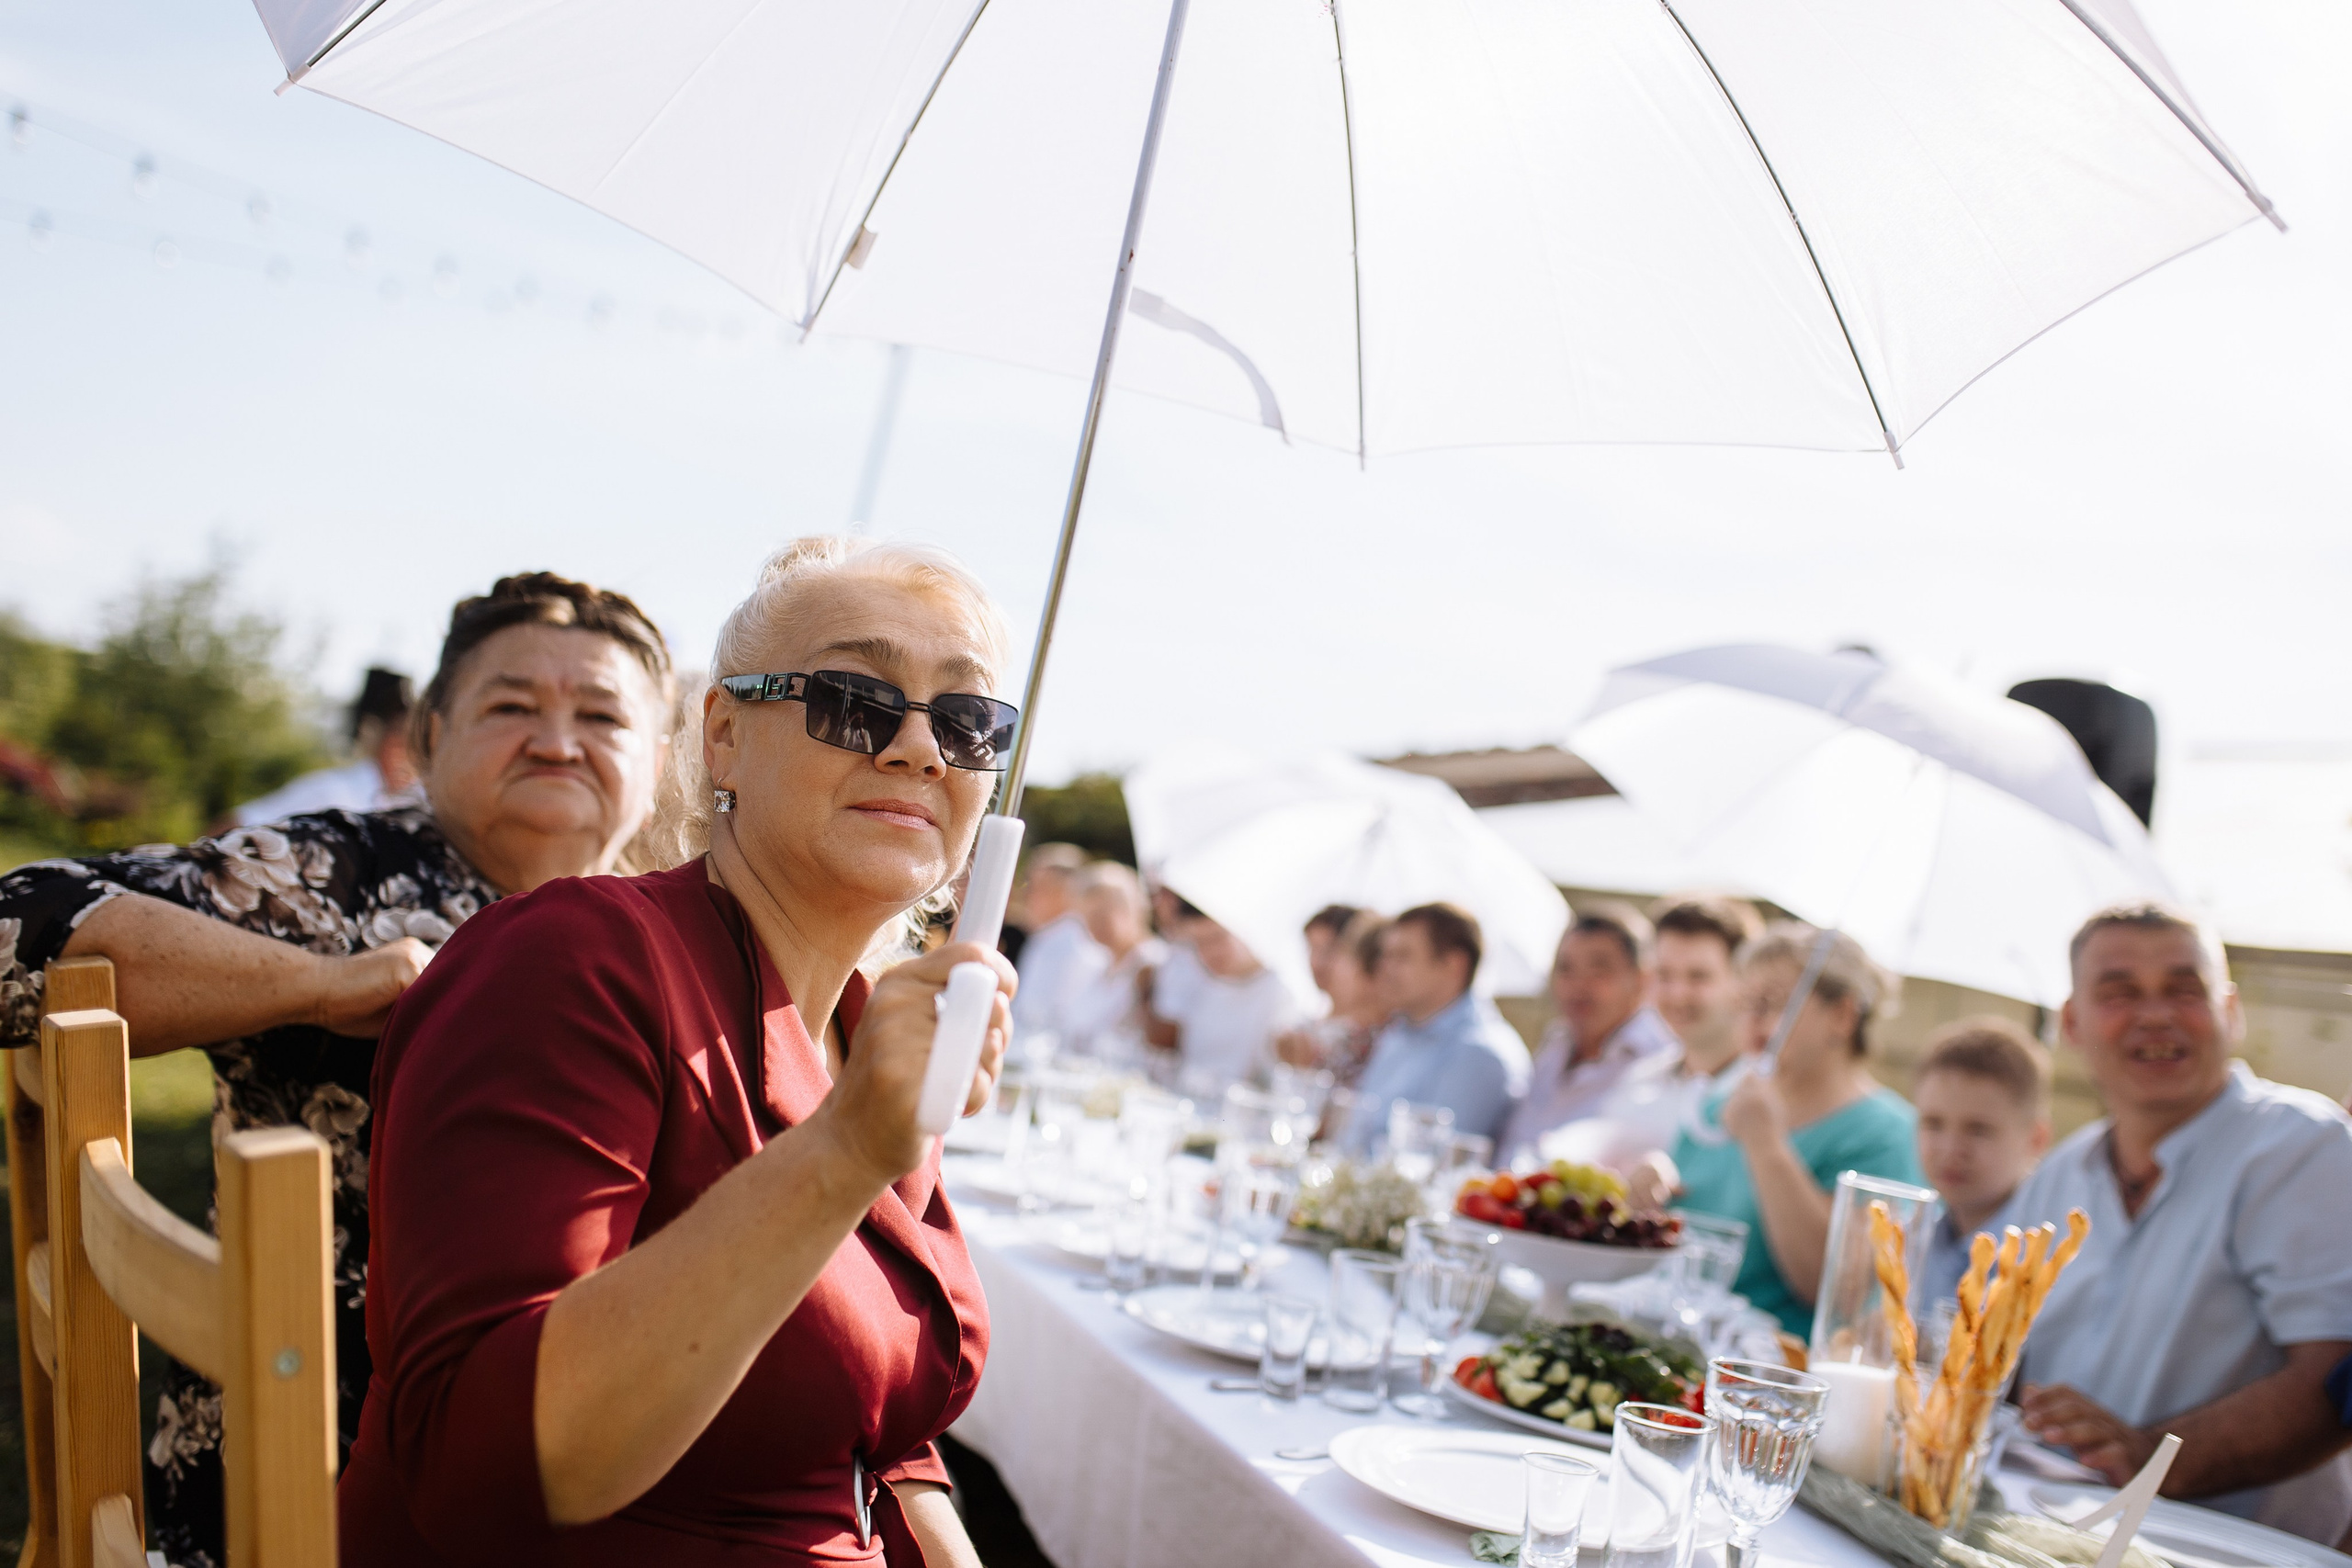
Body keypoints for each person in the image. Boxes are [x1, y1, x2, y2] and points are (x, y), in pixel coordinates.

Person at [339, 536, 1014, 1565]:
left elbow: (880, 1421)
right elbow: (488, 1470)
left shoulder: (868, 1028)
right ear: (725, 735)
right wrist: (840, 1153)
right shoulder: (573, 959)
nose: (920, 750)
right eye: (854, 699)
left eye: (966, 721)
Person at [0, 572, 675, 1568]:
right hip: (308, 1479)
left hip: (573, 1461)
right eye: (511, 705)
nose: (557, 740)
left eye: (602, 715)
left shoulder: (660, 932)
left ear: (658, 764)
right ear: (430, 740)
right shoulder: (345, 876)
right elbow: (16, 927)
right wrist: (317, 983)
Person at [2010, 904, 2352, 1542]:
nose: (2157, 1013)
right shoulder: (2057, 1174)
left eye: (2183, 988)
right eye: (2120, 992)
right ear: (2072, 1023)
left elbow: (2334, 1383)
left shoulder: (2303, 1146)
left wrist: (2149, 1458)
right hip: (2047, 1536)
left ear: (2231, 1010)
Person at [1645, 923, 1923, 1336]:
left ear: (1842, 1016)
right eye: (1746, 1002)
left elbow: (1833, 1289)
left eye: (1774, 1003)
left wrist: (1766, 1145)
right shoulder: (1719, 1109)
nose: (1753, 1019)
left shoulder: (1887, 1135)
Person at [1496, 904, 1680, 1167]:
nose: (1578, 985)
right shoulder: (1556, 1044)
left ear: (1641, 980)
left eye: (1599, 969)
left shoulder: (1659, 1064)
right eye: (1566, 969)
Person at [1339, 903, 1530, 1155]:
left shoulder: (1480, 1056)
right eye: (1386, 955)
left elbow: (1428, 1170)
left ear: (1454, 965)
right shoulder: (1400, 1033)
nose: (1385, 968)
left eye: (1402, 956)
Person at [1910, 1016, 2052, 1306]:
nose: (1951, 1150)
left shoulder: (2044, 1265)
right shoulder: (1913, 1242)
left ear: (2035, 1139)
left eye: (1978, 1130)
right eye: (1933, 1124)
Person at [230, 665, 422, 826]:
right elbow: (239, 823)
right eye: (401, 743)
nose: (411, 758)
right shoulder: (332, 793)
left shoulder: (414, 807)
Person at [1150, 913, 1302, 1094]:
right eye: (1200, 942)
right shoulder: (1198, 979)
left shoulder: (1280, 991)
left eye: (1217, 938)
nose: (1210, 952)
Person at [1276, 909, 1392, 1091]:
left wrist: (1304, 1067)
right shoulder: (1325, 1026)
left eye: (1331, 951)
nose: (1319, 963)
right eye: (1311, 949)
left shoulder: (1380, 1038)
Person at [1058, 860, 1164, 1058]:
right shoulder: (1096, 963)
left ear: (1133, 909)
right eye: (1087, 916)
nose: (1094, 924)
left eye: (1103, 914)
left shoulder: (1155, 966)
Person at [1009, 842, 1106, 1044]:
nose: (1028, 895)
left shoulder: (1079, 946)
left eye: (1038, 887)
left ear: (1066, 892)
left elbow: (1061, 1023)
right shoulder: (1045, 938)